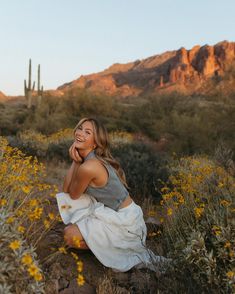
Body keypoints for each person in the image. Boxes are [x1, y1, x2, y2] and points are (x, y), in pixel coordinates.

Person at [56, 117, 169, 272]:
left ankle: (125, 243)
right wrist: (76, 160)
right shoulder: (88, 160)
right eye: (80, 128)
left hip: (125, 219)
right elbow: (67, 192)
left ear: (95, 143)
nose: (80, 133)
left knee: (69, 236)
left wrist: (75, 162)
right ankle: (137, 233)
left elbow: (72, 195)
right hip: (117, 213)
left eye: (87, 132)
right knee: (74, 223)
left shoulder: (89, 166)